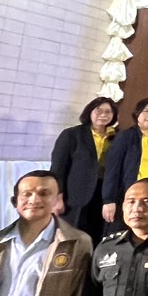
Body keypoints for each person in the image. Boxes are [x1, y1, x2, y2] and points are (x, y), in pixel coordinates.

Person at [50, 96, 116, 242]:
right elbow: (58, 169)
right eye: (98, 110)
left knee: (94, 238)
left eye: (108, 111)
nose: (103, 115)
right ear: (89, 111)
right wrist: (57, 197)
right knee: (68, 238)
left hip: (103, 197)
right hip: (74, 196)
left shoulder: (116, 136)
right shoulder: (72, 134)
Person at [103, 97, 148, 230]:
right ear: (137, 113)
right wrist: (109, 200)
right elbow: (112, 171)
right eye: (146, 111)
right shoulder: (125, 136)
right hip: (129, 194)